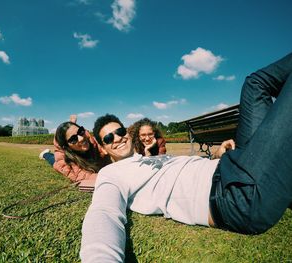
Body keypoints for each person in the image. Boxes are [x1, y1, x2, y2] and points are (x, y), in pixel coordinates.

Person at [80, 53, 292, 262]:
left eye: (120, 131)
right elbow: (104, 213)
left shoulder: (148, 159)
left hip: (232, 165)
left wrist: (215, 157)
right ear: (103, 148)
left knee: (255, 84)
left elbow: (184, 172)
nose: (117, 138)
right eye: (108, 137)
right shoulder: (111, 173)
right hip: (234, 194)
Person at [39, 117, 110, 183]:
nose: (81, 138)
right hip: (60, 159)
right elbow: (80, 176)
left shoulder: (90, 139)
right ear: (66, 146)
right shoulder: (64, 159)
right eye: (73, 139)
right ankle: (45, 154)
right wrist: (107, 178)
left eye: (80, 131)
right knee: (52, 160)